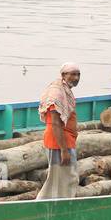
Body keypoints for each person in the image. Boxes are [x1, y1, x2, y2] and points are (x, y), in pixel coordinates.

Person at [36, 63, 80, 200]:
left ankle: (59, 203)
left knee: (63, 178)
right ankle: (44, 203)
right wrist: (64, 150)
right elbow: (55, 123)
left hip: (65, 141)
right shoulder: (56, 93)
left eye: (78, 74)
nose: (76, 77)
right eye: (72, 74)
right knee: (64, 178)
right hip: (59, 143)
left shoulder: (64, 89)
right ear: (63, 75)